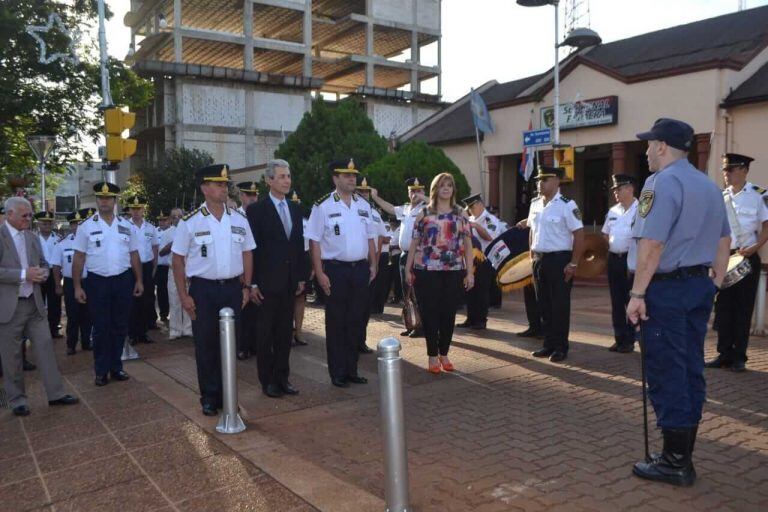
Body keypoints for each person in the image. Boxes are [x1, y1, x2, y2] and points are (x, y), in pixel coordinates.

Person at [627, 118, 731, 487]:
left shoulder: (660, 183)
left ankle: (675, 461)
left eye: (649, 144)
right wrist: (713, 284)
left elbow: (651, 244)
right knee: (689, 368)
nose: (645, 151)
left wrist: (638, 293)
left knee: (667, 368)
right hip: (697, 286)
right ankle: (682, 452)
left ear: (661, 146)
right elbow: (723, 242)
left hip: (666, 291)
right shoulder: (709, 186)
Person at [172, 164, 255, 416]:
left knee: (231, 344)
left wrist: (246, 286)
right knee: (206, 344)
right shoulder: (190, 222)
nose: (223, 188)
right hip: (203, 291)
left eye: (225, 184)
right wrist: (184, 296)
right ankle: (209, 397)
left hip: (232, 288)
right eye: (218, 184)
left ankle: (229, 396)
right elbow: (177, 260)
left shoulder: (239, 220)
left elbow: (248, 253)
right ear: (204, 188)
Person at [0, 197, 79, 416]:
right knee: (12, 356)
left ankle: (56, 394)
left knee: (46, 349)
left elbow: (43, 264)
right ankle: (17, 401)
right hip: (9, 307)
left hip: (34, 304)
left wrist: (43, 273)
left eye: (30, 215)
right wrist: (24, 275)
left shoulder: (32, 238)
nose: (29, 219)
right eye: (24, 216)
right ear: (10, 215)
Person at [306, 158, 377, 388]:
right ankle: (337, 372)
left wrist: (373, 264)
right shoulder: (323, 206)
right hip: (335, 270)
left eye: (353, 175)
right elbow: (314, 241)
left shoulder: (363, 205)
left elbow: (371, 238)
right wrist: (319, 272)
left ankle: (351, 369)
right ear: (335, 178)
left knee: (356, 321)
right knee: (337, 322)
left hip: (360, 270)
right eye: (346, 175)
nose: (351, 178)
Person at [73, 182, 144, 386]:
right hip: (97, 282)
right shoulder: (86, 226)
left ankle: (116, 367)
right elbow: (78, 258)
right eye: (101, 198)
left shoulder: (126, 225)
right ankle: (101, 371)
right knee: (101, 327)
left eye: (108, 198)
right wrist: (77, 286)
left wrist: (139, 280)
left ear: (115, 201)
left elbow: (134, 254)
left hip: (123, 279)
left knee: (120, 326)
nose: (104, 201)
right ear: (96, 200)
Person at [246, 159, 308, 398]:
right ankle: (267, 381)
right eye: (281, 177)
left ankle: (283, 378)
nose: (287, 181)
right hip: (265, 285)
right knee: (265, 336)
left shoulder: (294, 208)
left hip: (289, 283)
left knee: (284, 335)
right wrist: (251, 283)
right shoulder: (256, 210)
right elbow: (251, 249)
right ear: (269, 180)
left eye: (288, 176)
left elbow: (297, 246)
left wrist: (301, 277)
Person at [405, 173, 474, 374]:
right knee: (430, 314)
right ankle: (433, 356)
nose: (446, 188)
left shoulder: (461, 214)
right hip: (426, 271)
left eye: (449, 185)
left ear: (453, 189)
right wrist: (408, 269)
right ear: (435, 189)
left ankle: (444, 353)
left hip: (453, 271)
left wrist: (470, 273)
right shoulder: (424, 213)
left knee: (448, 314)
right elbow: (414, 243)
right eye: (442, 185)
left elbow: (468, 245)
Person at [706, 153, 768, 373]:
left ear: (743, 170)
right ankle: (724, 353)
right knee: (723, 308)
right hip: (725, 257)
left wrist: (756, 246)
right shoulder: (721, 197)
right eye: (725, 170)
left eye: (730, 170)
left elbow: (766, 226)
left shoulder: (759, 194)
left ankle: (739, 356)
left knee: (742, 308)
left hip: (748, 255)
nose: (726, 174)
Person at [528, 166, 585, 363]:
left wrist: (574, 264)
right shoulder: (535, 204)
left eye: (544, 179)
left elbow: (579, 234)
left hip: (559, 260)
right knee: (543, 305)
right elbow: (531, 232)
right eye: (538, 180)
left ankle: (561, 347)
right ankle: (548, 344)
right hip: (539, 260)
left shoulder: (567, 205)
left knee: (559, 305)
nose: (539, 183)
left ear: (557, 181)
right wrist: (531, 257)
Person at [371, 178, 427, 337]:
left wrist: (423, 198)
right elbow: (389, 208)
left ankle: (421, 326)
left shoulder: (427, 208)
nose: (415, 194)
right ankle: (411, 323)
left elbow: (438, 204)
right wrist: (375, 197)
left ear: (423, 192)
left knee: (418, 291)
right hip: (404, 255)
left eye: (418, 191)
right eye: (412, 191)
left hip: (418, 255)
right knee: (406, 291)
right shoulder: (406, 208)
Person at [602, 174, 639, 353]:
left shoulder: (641, 210)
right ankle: (619, 338)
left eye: (620, 188)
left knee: (630, 300)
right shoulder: (613, 211)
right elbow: (605, 233)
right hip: (614, 259)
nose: (616, 192)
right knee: (616, 301)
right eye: (615, 189)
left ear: (630, 188)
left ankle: (630, 339)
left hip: (631, 261)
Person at [460, 194, 505, 330]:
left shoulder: (489, 219)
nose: (470, 210)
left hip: (485, 260)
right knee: (469, 290)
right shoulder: (470, 219)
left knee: (481, 291)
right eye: (468, 207)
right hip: (470, 260)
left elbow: (491, 237)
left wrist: (476, 226)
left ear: (480, 204)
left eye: (472, 206)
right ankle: (470, 318)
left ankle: (481, 320)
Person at [52, 209, 92, 355]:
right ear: (70, 225)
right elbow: (56, 266)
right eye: (74, 224)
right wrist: (58, 284)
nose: (77, 227)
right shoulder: (62, 244)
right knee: (73, 315)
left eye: (80, 224)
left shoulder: (90, 241)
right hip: (70, 282)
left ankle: (87, 342)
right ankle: (71, 344)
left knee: (88, 314)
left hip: (88, 282)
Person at [355, 177, 388, 353]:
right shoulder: (353, 210)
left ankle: (361, 339)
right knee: (354, 304)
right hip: (357, 261)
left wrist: (374, 261)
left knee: (366, 304)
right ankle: (352, 339)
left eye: (367, 192)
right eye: (361, 191)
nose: (364, 194)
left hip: (372, 263)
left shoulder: (374, 213)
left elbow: (381, 236)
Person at [126, 196, 159, 343]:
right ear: (130, 210)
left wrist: (154, 267)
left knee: (146, 300)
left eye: (139, 208)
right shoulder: (125, 227)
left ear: (143, 209)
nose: (136, 211)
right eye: (133, 208)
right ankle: (132, 334)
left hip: (146, 266)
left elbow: (155, 248)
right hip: (130, 267)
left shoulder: (151, 227)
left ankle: (143, 332)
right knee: (132, 301)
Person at [236, 181, 261, 360]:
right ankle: (242, 346)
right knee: (242, 310)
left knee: (259, 310)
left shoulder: (262, 214)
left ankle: (256, 344)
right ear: (241, 196)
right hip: (239, 270)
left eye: (255, 195)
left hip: (259, 269)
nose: (252, 198)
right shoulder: (235, 216)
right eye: (248, 195)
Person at [162, 208, 192, 339]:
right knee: (174, 299)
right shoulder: (167, 233)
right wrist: (173, 244)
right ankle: (175, 330)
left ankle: (188, 328)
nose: (177, 219)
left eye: (180, 216)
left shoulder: (189, 230)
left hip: (187, 270)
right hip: (172, 270)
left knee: (188, 298)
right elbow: (161, 252)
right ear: (170, 219)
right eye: (174, 217)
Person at [35, 210, 63, 338]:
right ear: (38, 224)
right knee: (37, 303)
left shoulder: (58, 239)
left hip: (54, 273)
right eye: (43, 224)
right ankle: (38, 330)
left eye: (49, 224)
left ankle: (54, 329)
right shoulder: (32, 238)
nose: (46, 226)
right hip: (38, 272)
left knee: (55, 303)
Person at [292, 191, 310, 347]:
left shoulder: (306, 222)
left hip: (303, 260)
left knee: (300, 299)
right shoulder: (282, 221)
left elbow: (312, 245)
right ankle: (287, 333)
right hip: (288, 261)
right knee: (286, 299)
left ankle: (298, 331)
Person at [155, 211, 171, 323]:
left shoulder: (173, 232)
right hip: (160, 267)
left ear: (169, 220)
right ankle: (163, 314)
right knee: (162, 292)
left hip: (171, 266)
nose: (162, 222)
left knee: (172, 292)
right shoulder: (155, 232)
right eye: (160, 220)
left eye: (164, 220)